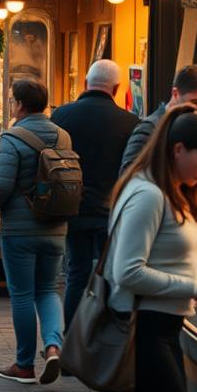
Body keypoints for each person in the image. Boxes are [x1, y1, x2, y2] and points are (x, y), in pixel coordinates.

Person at [107, 106, 197, 392]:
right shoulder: (149, 195)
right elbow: (129, 271)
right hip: (145, 330)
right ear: (178, 150)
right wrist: (193, 286)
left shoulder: (172, 191)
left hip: (162, 328)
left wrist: (195, 288)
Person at [0, 80, 69, 385]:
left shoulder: (13, 138)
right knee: (48, 290)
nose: (12, 105)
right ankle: (53, 346)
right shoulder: (63, 135)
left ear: (20, 105)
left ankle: (24, 364)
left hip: (20, 228)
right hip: (56, 226)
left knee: (23, 294)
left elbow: (1, 186)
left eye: (13, 101)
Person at [49, 59, 139, 327]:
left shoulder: (62, 115)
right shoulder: (130, 122)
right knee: (111, 273)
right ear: (117, 88)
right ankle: (105, 336)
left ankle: (71, 337)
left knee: (76, 272)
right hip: (111, 210)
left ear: (86, 83)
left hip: (72, 207)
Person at [119, 65, 197, 174]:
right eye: (196, 102)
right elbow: (127, 175)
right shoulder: (149, 128)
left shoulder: (195, 129)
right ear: (175, 94)